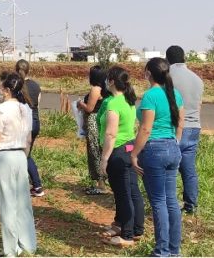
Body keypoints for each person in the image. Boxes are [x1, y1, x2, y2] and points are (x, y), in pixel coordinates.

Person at [132, 57, 185, 257]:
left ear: (149, 74)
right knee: (171, 200)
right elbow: (180, 123)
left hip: (154, 149)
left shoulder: (150, 96)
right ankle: (174, 250)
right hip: (172, 146)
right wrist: (175, 143)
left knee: (159, 201)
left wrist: (135, 153)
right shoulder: (175, 94)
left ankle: (161, 250)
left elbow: (145, 129)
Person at [0, 71, 37, 257]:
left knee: (6, 203)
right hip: (21, 156)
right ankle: (28, 245)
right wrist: (24, 156)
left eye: (0, 87)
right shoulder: (26, 109)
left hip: (4, 156)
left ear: (6, 90)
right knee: (23, 202)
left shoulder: (0, 109)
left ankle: (11, 249)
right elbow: (28, 139)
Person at [99, 66, 144, 247]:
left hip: (118, 151)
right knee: (132, 191)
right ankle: (137, 229)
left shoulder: (113, 103)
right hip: (130, 148)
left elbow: (111, 134)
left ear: (111, 81)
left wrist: (104, 159)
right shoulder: (129, 100)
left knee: (123, 194)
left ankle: (127, 235)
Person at [166, 45, 203, 215]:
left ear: (167, 60)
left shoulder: (168, 77)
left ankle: (170, 205)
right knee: (189, 170)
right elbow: (199, 105)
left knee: (169, 169)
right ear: (184, 58)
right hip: (194, 127)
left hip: (175, 128)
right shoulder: (197, 79)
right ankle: (191, 205)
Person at [77, 65, 108, 195]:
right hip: (101, 120)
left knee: (94, 151)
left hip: (93, 120)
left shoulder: (95, 89)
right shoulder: (106, 89)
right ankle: (102, 180)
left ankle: (100, 183)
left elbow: (90, 108)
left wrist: (80, 104)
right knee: (100, 149)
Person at [15, 60, 44, 197]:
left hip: (23, 124)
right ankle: (35, 185)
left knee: (23, 155)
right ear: (29, 70)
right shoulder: (36, 86)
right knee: (25, 154)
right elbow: (38, 103)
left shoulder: (16, 86)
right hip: (35, 122)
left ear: (16, 70)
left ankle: (36, 186)